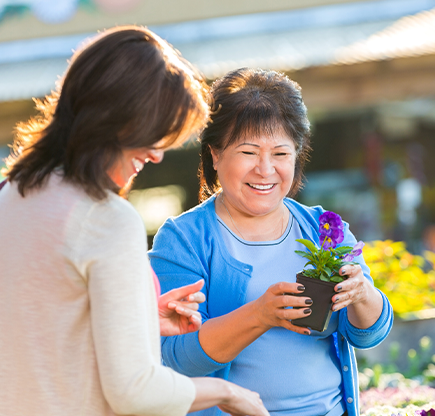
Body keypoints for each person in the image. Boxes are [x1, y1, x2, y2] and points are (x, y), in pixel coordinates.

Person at [0, 27, 268, 416]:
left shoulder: (11, 194)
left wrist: (138, 319)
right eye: (156, 133)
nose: (158, 155)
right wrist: (228, 392)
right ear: (118, 118)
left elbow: (38, 328)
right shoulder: (105, 218)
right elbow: (134, 392)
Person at [149, 67, 394, 416]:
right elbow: (175, 359)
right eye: (249, 152)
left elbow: (368, 335)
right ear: (215, 155)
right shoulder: (184, 240)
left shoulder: (322, 228)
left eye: (280, 154)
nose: (265, 170)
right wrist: (261, 315)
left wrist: (362, 295)